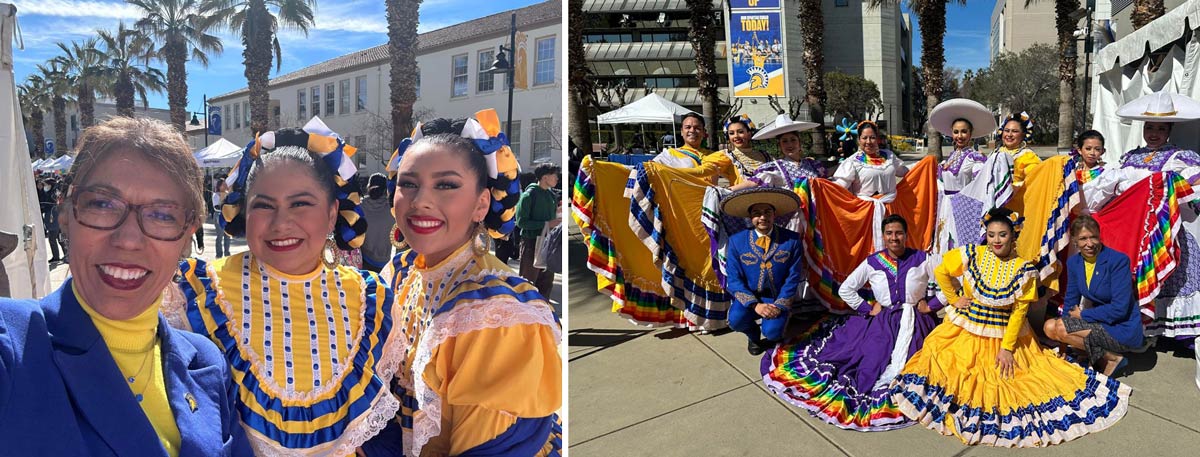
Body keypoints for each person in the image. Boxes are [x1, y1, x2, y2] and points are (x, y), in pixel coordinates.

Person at [0, 116, 249, 454]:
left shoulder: (206, 363)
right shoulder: (13, 343)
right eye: (102, 204)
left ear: (187, 236)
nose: (129, 239)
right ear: (65, 216)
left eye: (162, 214)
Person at [171, 129, 400, 455]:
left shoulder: (371, 301)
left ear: (332, 213)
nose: (281, 223)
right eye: (264, 206)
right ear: (245, 212)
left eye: (301, 204)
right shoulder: (195, 292)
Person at [384, 110, 562, 456]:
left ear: (481, 204)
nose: (420, 200)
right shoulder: (401, 273)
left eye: (446, 185)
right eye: (408, 183)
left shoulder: (495, 312)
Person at [891, 207, 1130, 447]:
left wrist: (1007, 348)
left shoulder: (1023, 269)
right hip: (966, 328)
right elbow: (942, 271)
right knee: (948, 367)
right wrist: (955, 299)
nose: (996, 240)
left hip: (1006, 333)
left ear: (1013, 237)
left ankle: (1107, 356)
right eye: (992, 234)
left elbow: (1019, 312)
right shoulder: (972, 254)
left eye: (1002, 235)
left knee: (1013, 380)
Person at [763, 215, 940, 431]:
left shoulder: (923, 258)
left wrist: (931, 306)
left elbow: (954, 282)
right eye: (889, 233)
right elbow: (846, 289)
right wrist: (867, 307)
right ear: (883, 236)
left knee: (922, 366)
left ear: (906, 235)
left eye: (899, 233)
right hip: (882, 322)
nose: (894, 238)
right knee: (870, 360)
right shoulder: (873, 262)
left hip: (918, 323)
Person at [1043, 215, 1142, 376]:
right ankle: (1101, 356)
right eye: (1083, 238)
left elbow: (1120, 309)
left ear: (1099, 236)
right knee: (1049, 327)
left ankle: (1114, 358)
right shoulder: (1074, 263)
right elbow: (1070, 301)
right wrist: (1063, 343)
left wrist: (1083, 315)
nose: (1089, 244)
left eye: (1093, 237)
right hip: (1098, 324)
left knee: (1062, 327)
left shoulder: (1118, 261)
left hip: (1121, 327)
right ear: (1074, 240)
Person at [720, 187, 804, 355]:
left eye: (767, 212)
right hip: (751, 296)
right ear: (750, 217)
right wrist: (754, 305)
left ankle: (779, 324)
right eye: (757, 213)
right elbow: (734, 279)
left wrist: (780, 304)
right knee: (735, 320)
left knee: (773, 332)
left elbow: (793, 277)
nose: (763, 217)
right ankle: (753, 335)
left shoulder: (792, 240)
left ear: (775, 214)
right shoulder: (737, 241)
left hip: (776, 297)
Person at [928, 99, 994, 194]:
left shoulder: (975, 158)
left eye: (964, 132)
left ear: (970, 133)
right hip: (945, 204)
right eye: (956, 132)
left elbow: (981, 186)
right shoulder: (951, 157)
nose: (959, 136)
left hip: (964, 206)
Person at [516, 163, 562, 296]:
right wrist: (547, 223)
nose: (557, 179)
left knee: (546, 282)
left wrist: (557, 214)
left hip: (549, 242)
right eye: (555, 176)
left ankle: (545, 312)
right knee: (528, 282)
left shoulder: (550, 195)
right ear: (545, 177)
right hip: (531, 243)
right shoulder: (528, 196)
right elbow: (521, 222)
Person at [831, 120, 908, 197]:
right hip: (866, 208)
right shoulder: (853, 162)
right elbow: (839, 187)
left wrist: (919, 165)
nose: (868, 141)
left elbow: (904, 171)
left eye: (872, 137)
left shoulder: (889, 156)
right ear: (859, 140)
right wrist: (821, 186)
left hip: (891, 207)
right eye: (864, 138)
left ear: (877, 139)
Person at [994, 112, 1042, 186]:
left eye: (1015, 131)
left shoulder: (1028, 157)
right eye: (1006, 130)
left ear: (1023, 135)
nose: (1009, 135)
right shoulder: (995, 152)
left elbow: (1036, 182)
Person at [360, 173, 394, 273]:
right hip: (388, 260)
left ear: (368, 186)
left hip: (366, 258)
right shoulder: (393, 208)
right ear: (385, 189)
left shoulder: (359, 207)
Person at [210, 179, 231, 258]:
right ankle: (219, 254)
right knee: (220, 235)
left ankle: (227, 253)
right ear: (219, 186)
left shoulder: (227, 194)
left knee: (227, 235)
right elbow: (216, 207)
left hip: (226, 216)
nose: (225, 186)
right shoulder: (216, 195)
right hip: (219, 215)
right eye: (223, 184)